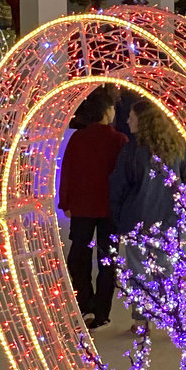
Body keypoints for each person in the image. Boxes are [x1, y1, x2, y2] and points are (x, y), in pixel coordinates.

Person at [108, 98, 186, 282]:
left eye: (131, 117)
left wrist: (118, 222)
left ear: (143, 122)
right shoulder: (177, 148)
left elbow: (118, 189)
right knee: (170, 278)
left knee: (141, 281)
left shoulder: (132, 151)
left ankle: (144, 312)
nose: (127, 121)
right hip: (172, 225)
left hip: (138, 225)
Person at [58, 88, 126, 332]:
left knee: (79, 256)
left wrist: (65, 202)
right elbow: (124, 178)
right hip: (110, 209)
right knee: (107, 260)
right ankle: (101, 311)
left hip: (83, 207)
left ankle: (84, 303)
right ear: (107, 111)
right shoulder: (119, 140)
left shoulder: (78, 138)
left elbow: (68, 171)